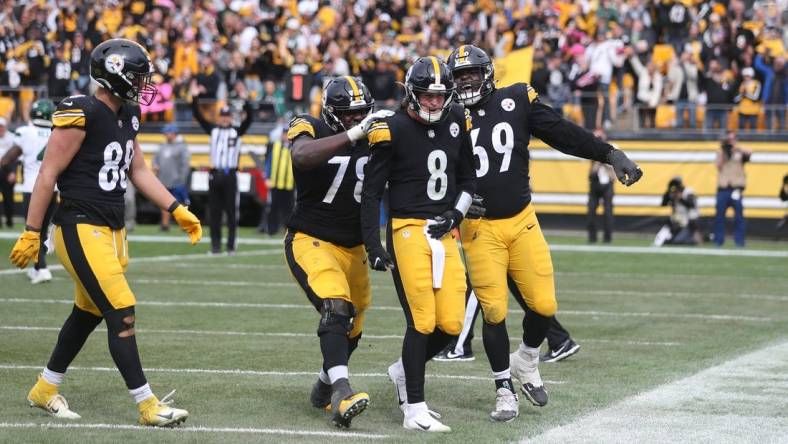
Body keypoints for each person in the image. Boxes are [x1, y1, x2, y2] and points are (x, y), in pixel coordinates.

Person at [8, 38, 202, 427]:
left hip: (112, 230)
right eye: (137, 76)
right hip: (80, 225)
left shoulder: (128, 114)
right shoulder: (80, 111)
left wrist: (176, 208)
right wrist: (32, 231)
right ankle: (147, 404)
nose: (144, 84)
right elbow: (47, 173)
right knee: (122, 311)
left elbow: (139, 170)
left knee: (88, 311)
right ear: (113, 74)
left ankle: (46, 387)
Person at [447, 44, 642, 422]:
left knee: (544, 307)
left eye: (471, 72)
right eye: (459, 75)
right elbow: (431, 171)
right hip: (479, 228)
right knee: (494, 312)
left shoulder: (517, 98)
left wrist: (610, 153)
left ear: (488, 72)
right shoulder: (448, 116)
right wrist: (457, 201)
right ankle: (504, 389)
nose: (466, 80)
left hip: (522, 220)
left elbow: (562, 133)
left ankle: (527, 360)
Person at [361, 56, 476, 433]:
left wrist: (456, 215)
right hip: (408, 227)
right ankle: (415, 408)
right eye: (427, 96)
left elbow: (468, 180)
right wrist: (373, 245)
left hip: (445, 228)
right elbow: (372, 192)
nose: (434, 103)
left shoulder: (457, 119)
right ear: (412, 93)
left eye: (440, 97)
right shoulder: (391, 128)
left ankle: (402, 371)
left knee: (452, 324)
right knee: (423, 320)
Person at [285, 76, 392, 428]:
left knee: (354, 325)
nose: (356, 118)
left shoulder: (375, 136)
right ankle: (342, 392)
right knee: (335, 307)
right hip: (312, 238)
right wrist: (352, 134)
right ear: (331, 114)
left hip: (355, 245)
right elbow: (301, 157)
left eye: (361, 113)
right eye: (348, 114)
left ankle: (324, 383)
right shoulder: (309, 126)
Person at [435, 275, 580, 363]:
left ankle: (459, 347)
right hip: (505, 232)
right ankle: (559, 339)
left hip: (494, 232)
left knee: (478, 279)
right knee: (518, 285)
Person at [0, 99, 57, 283]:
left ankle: (42, 268)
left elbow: (9, 158)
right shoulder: (57, 132)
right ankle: (36, 267)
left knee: (32, 230)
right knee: (43, 230)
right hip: (53, 188)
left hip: (33, 187)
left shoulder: (25, 132)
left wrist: (4, 164)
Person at [191, 88, 252, 254]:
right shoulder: (213, 130)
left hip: (230, 174)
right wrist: (195, 97)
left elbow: (250, 118)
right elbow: (198, 115)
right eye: (222, 116)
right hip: (214, 174)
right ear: (219, 118)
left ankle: (231, 246)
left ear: (231, 118)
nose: (225, 119)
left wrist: (246, 101)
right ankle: (215, 246)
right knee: (214, 212)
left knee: (231, 212)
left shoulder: (237, 131)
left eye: (227, 116)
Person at [714, 131, 751, 247]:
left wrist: (735, 148)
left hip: (736, 189)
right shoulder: (721, 152)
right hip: (723, 188)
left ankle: (739, 241)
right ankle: (718, 241)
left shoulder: (740, 151)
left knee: (739, 217)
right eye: (728, 139)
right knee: (720, 216)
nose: (730, 141)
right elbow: (718, 166)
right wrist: (724, 150)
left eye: (732, 139)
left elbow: (750, 153)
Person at [152, 123, 191, 232]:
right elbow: (155, 159)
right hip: (163, 180)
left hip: (177, 181)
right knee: (164, 204)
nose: (166, 135)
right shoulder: (162, 146)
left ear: (174, 134)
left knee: (181, 204)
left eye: (168, 132)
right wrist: (155, 165)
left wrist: (182, 179)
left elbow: (185, 164)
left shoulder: (182, 147)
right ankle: (165, 225)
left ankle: (185, 224)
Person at [587, 128, 616, 243]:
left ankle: (607, 238)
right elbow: (592, 172)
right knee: (591, 212)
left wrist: (603, 159)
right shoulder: (591, 150)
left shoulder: (612, 148)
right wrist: (598, 160)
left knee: (608, 213)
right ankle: (592, 238)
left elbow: (613, 174)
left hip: (607, 184)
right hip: (595, 184)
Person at [265, 124, 295, 235]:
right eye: (284, 133)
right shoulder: (275, 145)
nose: (285, 136)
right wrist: (267, 177)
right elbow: (268, 162)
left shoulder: (295, 147)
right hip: (275, 182)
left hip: (289, 183)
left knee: (289, 208)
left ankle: (287, 230)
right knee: (273, 207)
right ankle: (271, 230)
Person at [654, 176, 700, 246]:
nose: (675, 189)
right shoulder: (673, 194)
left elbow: (692, 205)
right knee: (667, 240)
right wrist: (668, 190)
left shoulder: (688, 192)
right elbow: (663, 203)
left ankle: (695, 239)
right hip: (676, 224)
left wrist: (680, 198)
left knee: (678, 241)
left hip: (689, 223)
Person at [0, 117, 15, 227]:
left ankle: (9, 221)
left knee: (8, 198)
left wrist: (13, 171)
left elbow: (16, 157)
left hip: (7, 170)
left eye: (1, 127)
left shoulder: (12, 138)